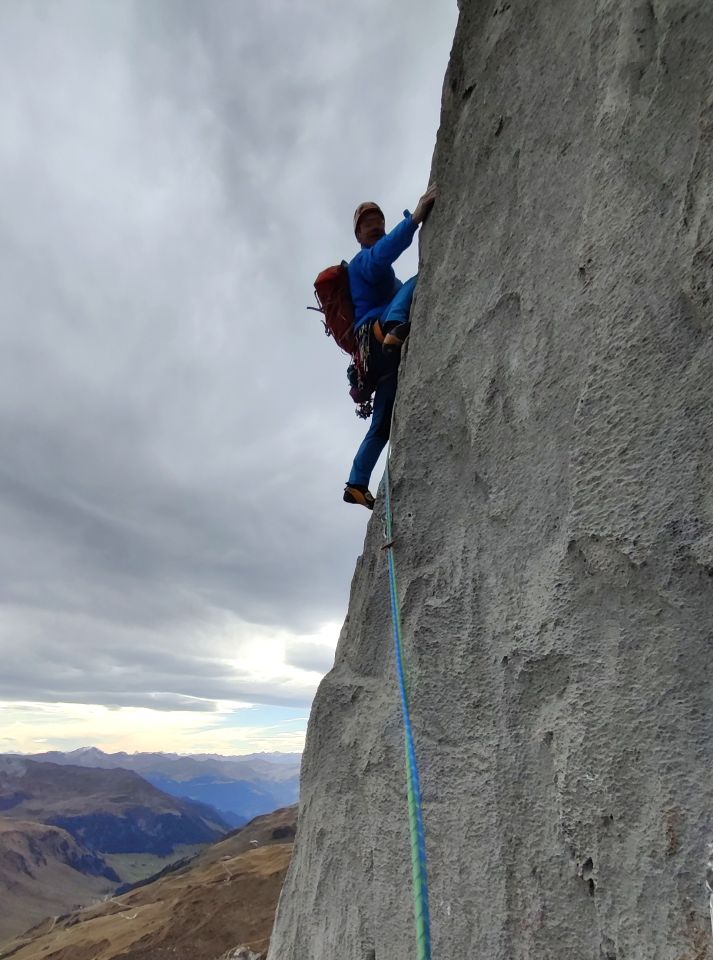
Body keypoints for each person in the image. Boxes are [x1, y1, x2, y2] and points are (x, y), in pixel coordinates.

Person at [343, 183, 437, 509]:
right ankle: (394, 329)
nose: (376, 225)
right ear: (358, 234)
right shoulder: (363, 262)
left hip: (381, 361)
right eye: (368, 223)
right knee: (419, 280)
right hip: (375, 337)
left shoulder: (386, 280)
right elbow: (381, 255)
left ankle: (356, 483)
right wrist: (414, 220)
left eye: (379, 221)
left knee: (382, 425)